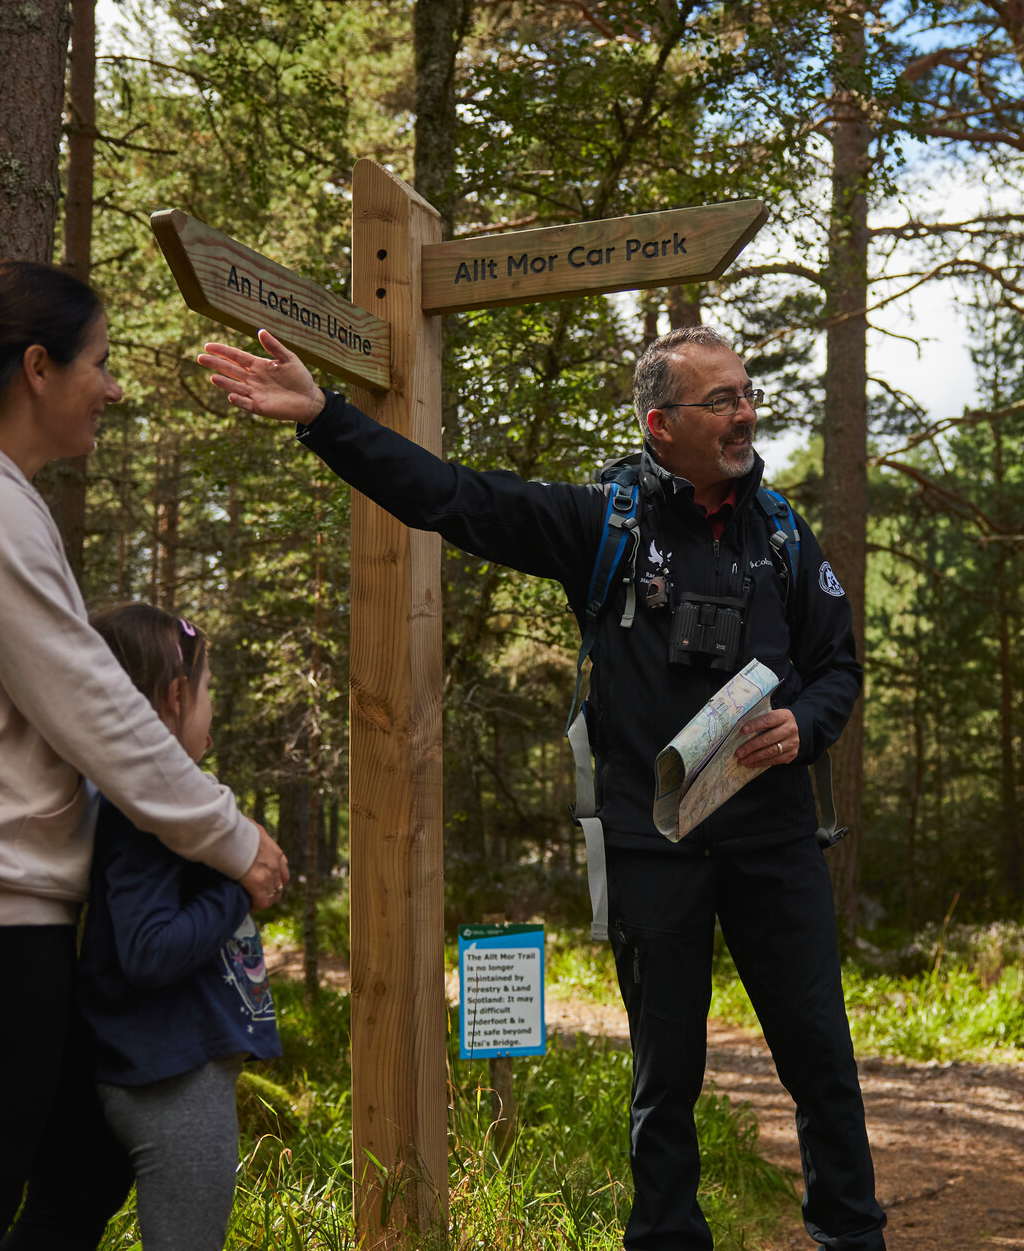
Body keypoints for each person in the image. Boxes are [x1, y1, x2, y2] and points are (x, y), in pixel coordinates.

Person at [198, 323, 884, 1251]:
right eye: (720, 400)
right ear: (659, 423)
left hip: (775, 841)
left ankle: (851, 1237)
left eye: (747, 392)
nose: (745, 413)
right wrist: (324, 417)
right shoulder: (604, 522)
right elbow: (452, 497)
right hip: (656, 845)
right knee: (663, 1080)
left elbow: (838, 665)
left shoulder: (784, 533)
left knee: (822, 1065)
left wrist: (807, 724)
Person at [0, 261, 289, 1251]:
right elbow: (94, 704)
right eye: (99, 363)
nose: (111, 387)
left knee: (81, 1163)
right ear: (37, 367)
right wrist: (230, 838)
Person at [76, 603, 281, 1251]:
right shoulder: (148, 812)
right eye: (210, 691)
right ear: (174, 697)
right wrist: (235, 891)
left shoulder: (160, 805)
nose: (214, 709)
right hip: (171, 1078)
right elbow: (147, 949)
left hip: (164, 1064)